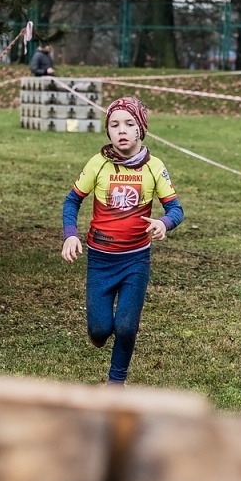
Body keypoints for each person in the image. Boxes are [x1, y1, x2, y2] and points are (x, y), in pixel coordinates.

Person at [61, 97, 183, 384]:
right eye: (114, 125)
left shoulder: (154, 167)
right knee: (100, 330)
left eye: (129, 124)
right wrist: (70, 234)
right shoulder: (97, 164)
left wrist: (164, 222)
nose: (122, 130)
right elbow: (72, 201)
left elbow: (176, 209)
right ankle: (99, 332)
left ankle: (116, 382)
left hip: (135, 260)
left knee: (126, 327)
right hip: (100, 260)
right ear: (108, 130)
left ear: (141, 128)